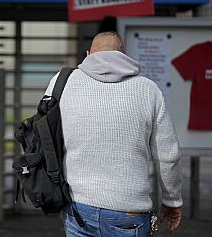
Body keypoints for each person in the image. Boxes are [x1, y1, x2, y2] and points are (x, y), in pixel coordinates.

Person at [44, 32, 182, 236]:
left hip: (78, 208)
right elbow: (168, 156)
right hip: (129, 212)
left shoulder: (61, 82)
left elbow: (45, 137)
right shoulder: (148, 90)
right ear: (123, 56)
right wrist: (172, 201)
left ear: (88, 54)